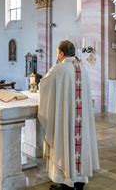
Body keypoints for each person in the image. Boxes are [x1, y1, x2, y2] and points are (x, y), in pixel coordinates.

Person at [38, 40, 99, 190]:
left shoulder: (59, 69)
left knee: (66, 142)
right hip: (80, 118)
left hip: (66, 117)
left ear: (61, 53)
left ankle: (66, 183)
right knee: (79, 144)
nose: (57, 56)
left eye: (58, 53)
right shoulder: (82, 68)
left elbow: (43, 85)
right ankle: (79, 182)